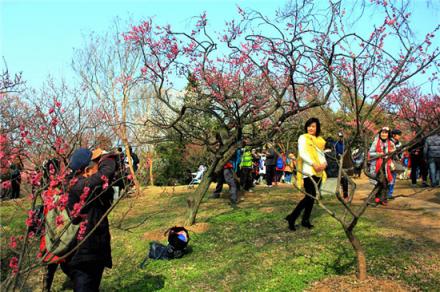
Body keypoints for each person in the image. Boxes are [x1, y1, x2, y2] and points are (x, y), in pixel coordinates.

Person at [60, 147, 117, 292]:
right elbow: (106, 173)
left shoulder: (77, 185)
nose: (97, 171)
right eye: (95, 166)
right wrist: (107, 158)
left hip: (89, 253)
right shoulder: (79, 187)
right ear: (86, 170)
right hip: (83, 255)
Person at [285, 118, 327, 231]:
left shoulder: (320, 140)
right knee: (309, 196)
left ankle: (305, 220)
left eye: (313, 126)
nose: (310, 128)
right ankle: (292, 217)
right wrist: (313, 164)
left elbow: (321, 155)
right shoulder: (303, 138)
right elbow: (302, 153)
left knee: (312, 198)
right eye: (309, 126)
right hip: (308, 170)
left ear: (317, 127)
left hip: (319, 172)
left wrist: (324, 164)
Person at [369, 127, 395, 205]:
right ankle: (378, 197)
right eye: (382, 132)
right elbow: (370, 153)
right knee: (381, 181)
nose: (384, 134)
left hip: (387, 165)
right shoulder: (375, 142)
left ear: (388, 134)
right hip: (377, 164)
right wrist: (378, 154)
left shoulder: (390, 142)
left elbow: (394, 151)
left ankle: (382, 198)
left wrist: (392, 151)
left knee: (386, 182)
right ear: (380, 133)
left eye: (386, 133)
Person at [388, 129, 402, 199]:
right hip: (390, 162)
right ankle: (388, 193)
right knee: (390, 178)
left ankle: (390, 193)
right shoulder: (390, 142)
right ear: (393, 135)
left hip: (395, 161)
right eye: (398, 135)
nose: (399, 136)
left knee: (393, 177)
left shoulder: (398, 143)